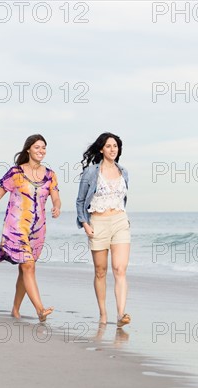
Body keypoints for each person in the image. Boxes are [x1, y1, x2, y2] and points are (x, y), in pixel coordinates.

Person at [0, 134, 61, 322]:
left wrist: (57, 206)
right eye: (37, 147)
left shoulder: (50, 174)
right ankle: (40, 309)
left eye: (44, 148)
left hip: (38, 228)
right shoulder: (15, 173)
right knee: (28, 265)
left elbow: (55, 195)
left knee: (26, 268)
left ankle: (15, 309)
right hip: (16, 227)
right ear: (28, 149)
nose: (41, 151)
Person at [76, 132, 131, 327]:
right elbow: (80, 200)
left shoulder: (123, 171)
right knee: (100, 271)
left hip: (120, 221)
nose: (112, 149)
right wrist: (85, 223)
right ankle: (103, 314)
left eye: (115, 146)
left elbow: (122, 198)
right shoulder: (91, 172)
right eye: (108, 146)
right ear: (101, 149)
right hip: (97, 223)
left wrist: (124, 218)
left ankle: (121, 314)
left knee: (120, 269)